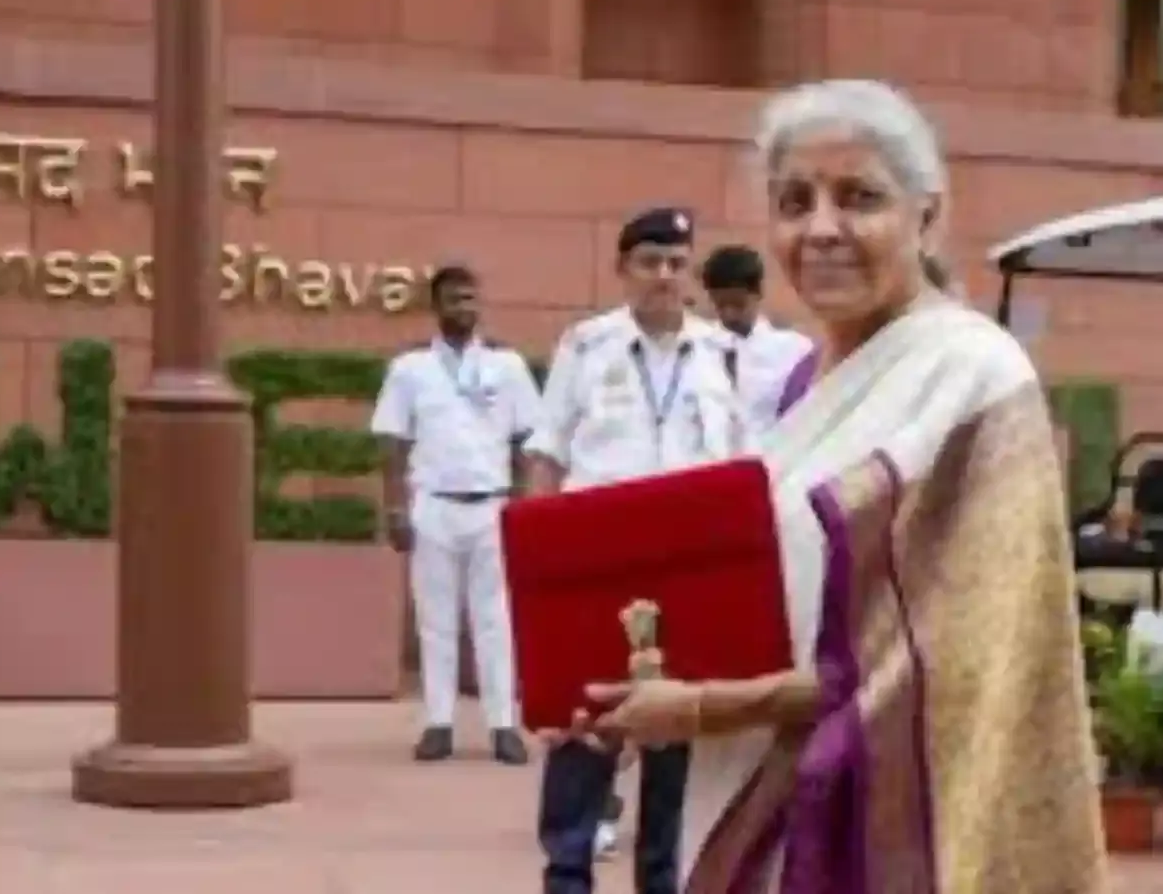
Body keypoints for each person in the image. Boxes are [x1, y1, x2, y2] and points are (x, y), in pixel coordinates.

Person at [555, 80, 1109, 893]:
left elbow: (950, 668)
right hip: (748, 799)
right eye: (794, 202)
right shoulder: (803, 382)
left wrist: (704, 707)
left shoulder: (976, 378)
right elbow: (768, 603)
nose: (820, 229)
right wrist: (627, 688)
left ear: (926, 215)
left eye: (858, 197)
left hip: (883, 837)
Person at [525, 206, 749, 894]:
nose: (664, 276)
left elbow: (742, 466)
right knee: (586, 724)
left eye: (677, 264)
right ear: (623, 269)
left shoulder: (721, 353)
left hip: (688, 564)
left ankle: (661, 880)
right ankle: (568, 875)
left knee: (675, 734)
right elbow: (546, 453)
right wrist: (538, 569)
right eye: (650, 262)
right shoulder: (586, 346)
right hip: (599, 563)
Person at [370, 264, 542, 766]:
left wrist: (522, 502)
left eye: (470, 298)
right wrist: (395, 506)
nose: (464, 308)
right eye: (453, 299)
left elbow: (525, 440)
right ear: (436, 306)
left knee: (495, 619)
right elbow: (393, 443)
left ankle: (502, 725)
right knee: (435, 619)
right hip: (433, 506)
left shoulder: (506, 366)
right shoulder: (410, 369)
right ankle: (438, 723)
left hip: (492, 505)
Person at [700, 245, 813, 437]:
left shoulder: (794, 351)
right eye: (721, 305)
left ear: (758, 292)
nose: (729, 315)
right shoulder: (697, 347)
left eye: (738, 305)